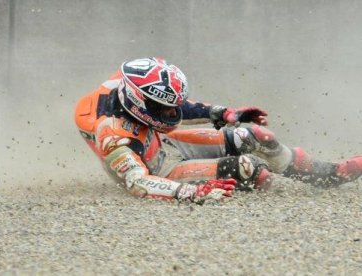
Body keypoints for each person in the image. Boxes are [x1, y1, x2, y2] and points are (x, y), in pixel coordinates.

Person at [74, 57, 362, 204]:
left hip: (164, 141)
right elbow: (138, 184)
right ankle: (232, 175)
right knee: (253, 171)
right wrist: (192, 192)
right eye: (164, 108)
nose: (174, 113)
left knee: (257, 136)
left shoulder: (133, 89)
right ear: (138, 102)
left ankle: (327, 174)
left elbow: (176, 107)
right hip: (157, 170)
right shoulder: (112, 134)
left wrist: (224, 113)